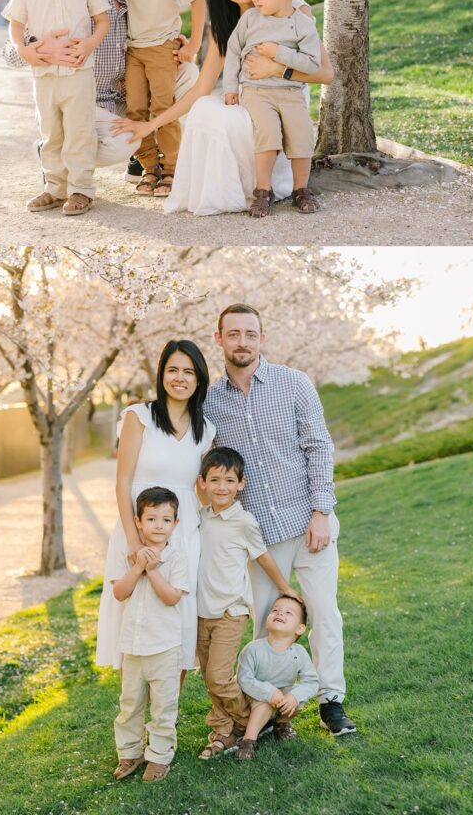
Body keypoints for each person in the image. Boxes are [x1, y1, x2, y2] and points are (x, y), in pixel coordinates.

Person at [204, 303, 357, 737]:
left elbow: (318, 446)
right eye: (232, 334)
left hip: (310, 526)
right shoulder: (211, 402)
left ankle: (331, 702)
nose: (242, 342)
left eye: (250, 334)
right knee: (265, 626)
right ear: (219, 340)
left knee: (325, 615)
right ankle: (268, 713)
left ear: (262, 338)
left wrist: (321, 511)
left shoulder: (293, 384)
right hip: (260, 539)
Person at [111, 0, 333, 216]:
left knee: (238, 120)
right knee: (205, 109)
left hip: (288, 93)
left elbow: (326, 73)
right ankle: (237, 193)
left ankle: (282, 186)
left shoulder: (294, 10)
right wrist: (151, 125)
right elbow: (201, 89)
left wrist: (278, 69)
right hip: (250, 94)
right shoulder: (225, 27)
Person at [3, 0, 199, 186]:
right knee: (122, 143)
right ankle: (57, 152)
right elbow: (10, 53)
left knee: (188, 73)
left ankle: (145, 158)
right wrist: (34, 50)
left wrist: (179, 40)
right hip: (86, 101)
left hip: (127, 94)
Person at [96, 339, 215, 675]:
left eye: (189, 371)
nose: (180, 378)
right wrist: (134, 541)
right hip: (139, 525)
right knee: (134, 611)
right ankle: (133, 711)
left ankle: (165, 719)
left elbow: (202, 489)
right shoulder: (139, 417)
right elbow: (122, 483)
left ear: (199, 379)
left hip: (183, 528)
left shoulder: (205, 430)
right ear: (161, 374)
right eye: (173, 369)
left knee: (177, 612)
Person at [2, 0, 110, 215]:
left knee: (79, 132)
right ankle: (54, 188)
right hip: (44, 75)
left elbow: (102, 21)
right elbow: (16, 25)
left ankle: (81, 189)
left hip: (78, 73)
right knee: (51, 133)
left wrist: (89, 44)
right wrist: (23, 50)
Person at [195, 445, 296, 760]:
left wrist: (285, 588)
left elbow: (262, 557)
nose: (221, 487)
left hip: (231, 611)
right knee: (208, 675)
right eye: (214, 480)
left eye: (229, 480)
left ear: (242, 484)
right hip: (200, 611)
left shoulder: (244, 522)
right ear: (202, 483)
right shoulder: (199, 519)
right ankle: (223, 729)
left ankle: (253, 718)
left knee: (219, 677)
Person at [224, 0, 322, 217]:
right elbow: (233, 51)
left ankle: (301, 190)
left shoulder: (302, 24)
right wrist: (230, 87)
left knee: (302, 135)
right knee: (268, 133)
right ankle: (262, 191)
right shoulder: (250, 20)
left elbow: (313, 64)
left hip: (290, 92)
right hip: (257, 91)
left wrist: (279, 53)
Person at [118, 0, 206, 197]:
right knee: (135, 109)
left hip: (161, 49)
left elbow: (198, 1)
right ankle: (148, 168)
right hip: (133, 50)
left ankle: (170, 168)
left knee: (163, 107)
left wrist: (193, 44)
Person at [111, 487, 188, 783]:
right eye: (152, 519)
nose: (158, 526)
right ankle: (129, 752)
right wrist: (139, 566)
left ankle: (158, 755)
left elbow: (171, 597)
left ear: (175, 524)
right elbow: (119, 592)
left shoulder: (177, 558)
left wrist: (153, 570)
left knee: (163, 706)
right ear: (138, 521)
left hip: (164, 648)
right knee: (129, 704)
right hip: (132, 647)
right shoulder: (128, 555)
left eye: (165, 520)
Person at [235, 594, 318, 760]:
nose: (280, 613)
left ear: (300, 629)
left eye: (288, 613)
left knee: (298, 699)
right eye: (275, 610)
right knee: (265, 704)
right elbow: (244, 679)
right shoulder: (253, 649)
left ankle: (280, 723)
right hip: (254, 696)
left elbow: (311, 681)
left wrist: (294, 696)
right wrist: (269, 692)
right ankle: (248, 740)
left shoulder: (299, 652)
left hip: (281, 696)